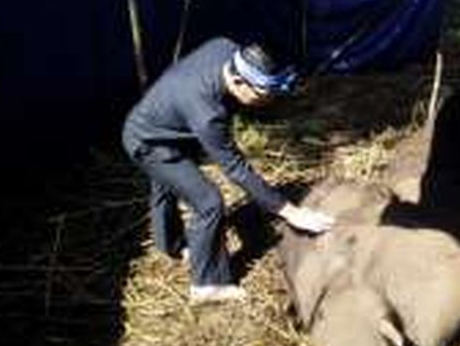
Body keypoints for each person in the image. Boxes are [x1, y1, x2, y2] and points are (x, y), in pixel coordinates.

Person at [121, 37, 335, 305]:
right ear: (237, 82)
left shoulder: (225, 48)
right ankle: (207, 285)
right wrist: (290, 212)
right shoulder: (207, 114)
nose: (266, 102)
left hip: (162, 122)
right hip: (148, 144)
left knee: (166, 186)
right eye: (261, 95)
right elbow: (236, 169)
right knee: (209, 202)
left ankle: (172, 245)